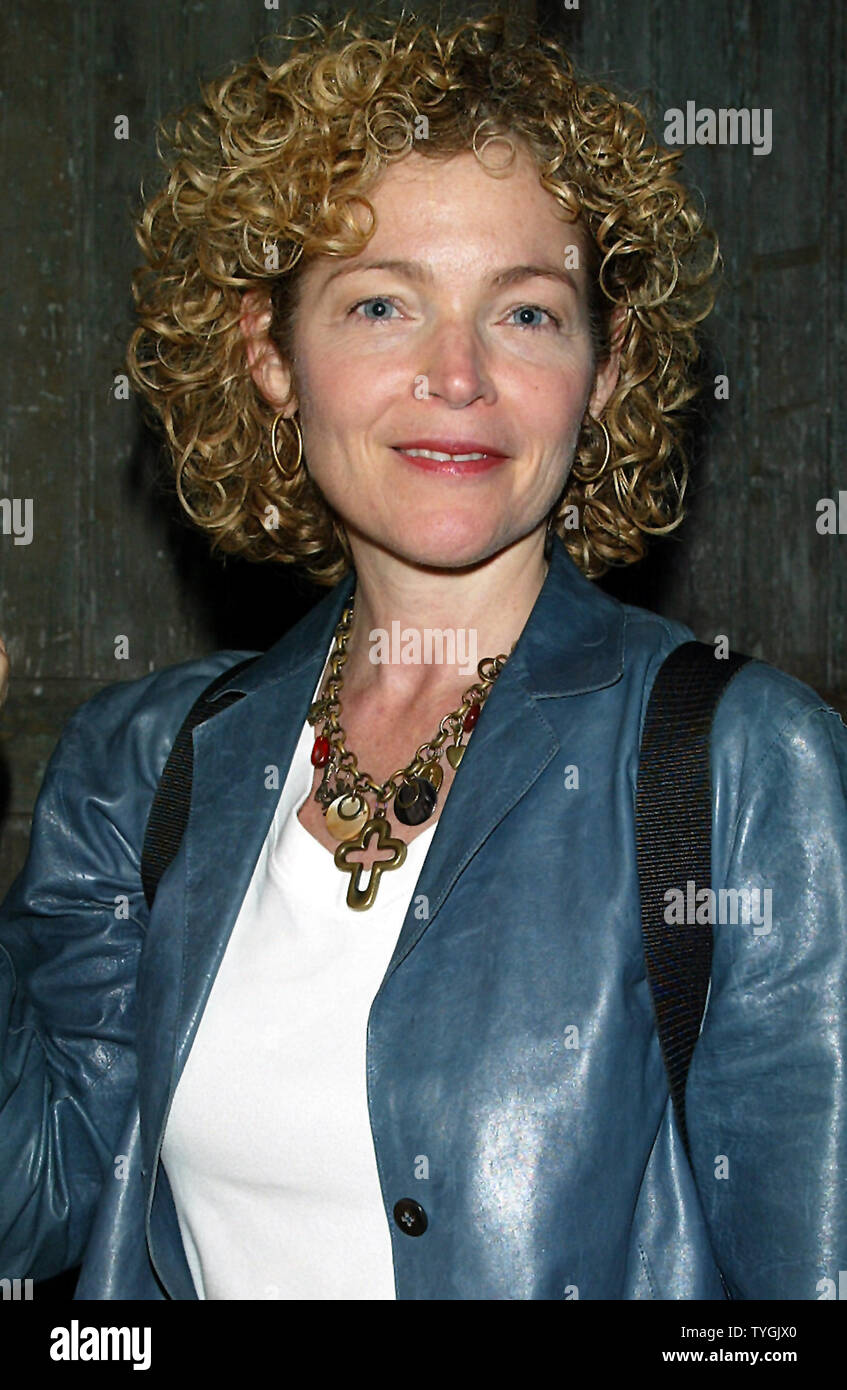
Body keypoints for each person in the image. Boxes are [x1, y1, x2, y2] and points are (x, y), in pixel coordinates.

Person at [0, 8, 845, 1302]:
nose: (456, 375)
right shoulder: (140, 767)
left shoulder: (741, 766)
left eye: (526, 313)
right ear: (270, 355)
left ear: (605, 371)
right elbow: (36, 1204)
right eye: (382, 302)